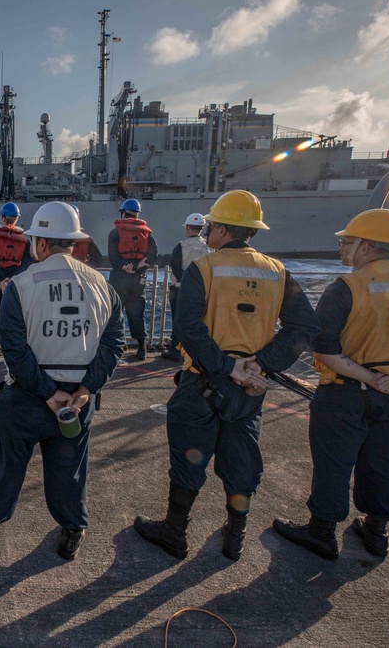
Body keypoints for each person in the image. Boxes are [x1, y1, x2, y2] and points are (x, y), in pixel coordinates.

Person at [133, 190, 319, 561]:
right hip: (250, 389)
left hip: (203, 381)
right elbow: (303, 326)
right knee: (241, 460)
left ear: (220, 229)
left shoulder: (204, 269)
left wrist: (227, 365)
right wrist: (259, 363)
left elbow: (187, 328)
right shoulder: (277, 271)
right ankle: (235, 537)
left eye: (212, 226)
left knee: (189, 458)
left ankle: (175, 532)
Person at [273, 209, 389, 560]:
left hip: (344, 392)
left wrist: (370, 377)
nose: (342, 248)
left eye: (347, 242)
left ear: (366, 246)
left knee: (334, 462)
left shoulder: (346, 287)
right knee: (382, 461)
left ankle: (322, 532)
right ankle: (377, 530)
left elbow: (325, 350)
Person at [0, 202, 125, 561]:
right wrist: (85, 390)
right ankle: (71, 532)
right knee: (70, 469)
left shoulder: (21, 285)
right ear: (73, 242)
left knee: (8, 466)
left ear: (40, 243)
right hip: (78, 403)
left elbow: (14, 350)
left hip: (27, 400)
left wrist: (49, 393)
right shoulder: (102, 286)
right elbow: (115, 344)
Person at [107, 198, 158, 360]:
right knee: (137, 314)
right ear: (137, 215)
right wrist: (137, 266)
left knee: (116, 314)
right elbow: (152, 256)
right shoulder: (147, 234)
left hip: (119, 279)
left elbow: (113, 258)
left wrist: (126, 266)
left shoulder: (115, 233)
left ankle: (118, 346)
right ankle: (142, 348)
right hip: (138, 281)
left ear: (123, 213)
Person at [0, 202, 33, 362]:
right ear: (16, 219)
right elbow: (27, 262)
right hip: (17, 283)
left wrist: (1, 280)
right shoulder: (25, 241)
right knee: (18, 317)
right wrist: (13, 279)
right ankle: (15, 349)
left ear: (3, 218)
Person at [161, 213, 210, 361]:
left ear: (188, 228)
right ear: (202, 228)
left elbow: (176, 268)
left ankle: (176, 350)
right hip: (203, 290)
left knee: (178, 320)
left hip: (180, 289)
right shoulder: (209, 247)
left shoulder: (181, 246)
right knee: (199, 321)